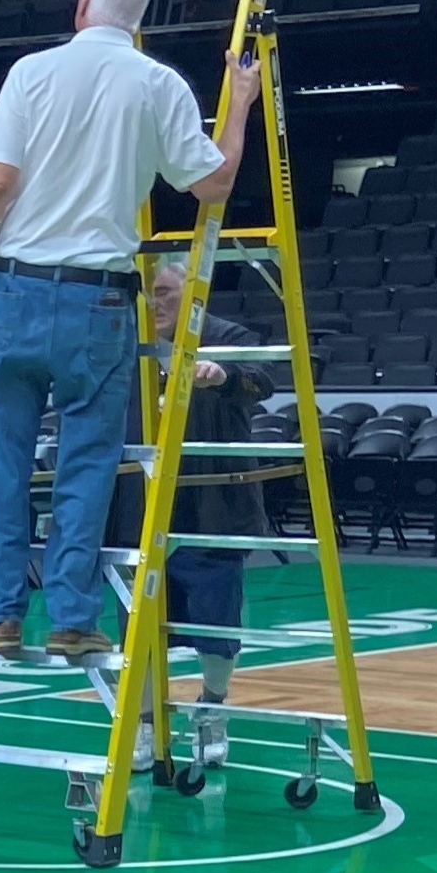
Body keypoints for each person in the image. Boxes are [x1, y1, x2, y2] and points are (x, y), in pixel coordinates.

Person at [0, 0, 262, 665]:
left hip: (14, 290)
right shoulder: (158, 83)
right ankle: (72, 617)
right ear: (139, 18)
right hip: (98, 301)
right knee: (85, 467)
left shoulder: (30, 73)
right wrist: (237, 105)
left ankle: (4, 614)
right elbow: (213, 185)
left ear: (81, 3)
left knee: (5, 464)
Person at [127, 256, 274, 770]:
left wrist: (224, 374)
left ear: (192, 291)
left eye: (164, 292)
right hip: (142, 508)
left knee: (216, 618)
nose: (154, 303)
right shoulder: (129, 342)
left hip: (212, 507)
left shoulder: (228, 334)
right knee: (139, 623)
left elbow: (263, 377)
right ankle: (143, 723)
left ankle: (213, 706)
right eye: (146, 293)